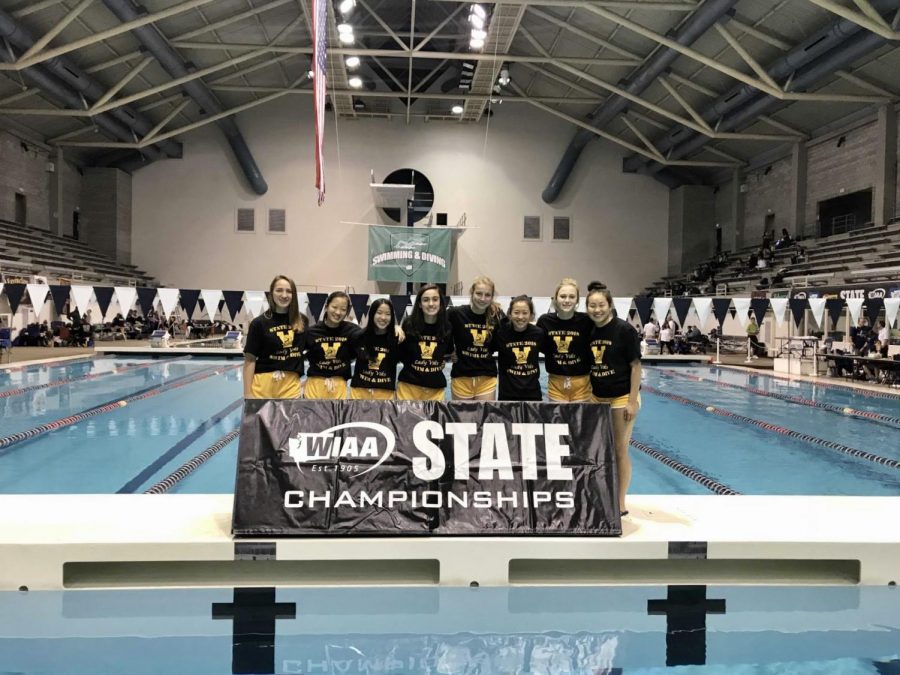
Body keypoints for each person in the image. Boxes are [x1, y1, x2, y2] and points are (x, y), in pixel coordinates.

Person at [585, 282, 641, 516]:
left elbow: (636, 366)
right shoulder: (590, 331)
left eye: (601, 305)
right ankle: (602, 495)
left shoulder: (624, 330)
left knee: (619, 450)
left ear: (610, 306)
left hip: (620, 398)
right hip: (598, 398)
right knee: (600, 451)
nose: (596, 310)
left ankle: (620, 503)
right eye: (592, 306)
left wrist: (631, 400)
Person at [243, 275, 307, 399]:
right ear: (271, 293)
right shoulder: (259, 323)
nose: (284, 295)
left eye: (289, 291)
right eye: (279, 290)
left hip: (290, 388)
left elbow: (316, 350)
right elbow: (250, 359)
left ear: (293, 295)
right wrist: (247, 393)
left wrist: (311, 380)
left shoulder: (302, 321)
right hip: (262, 388)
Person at [537, 278, 593, 402]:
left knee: (580, 421)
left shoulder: (587, 321)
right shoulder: (545, 321)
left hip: (582, 384)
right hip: (556, 383)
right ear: (556, 298)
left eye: (571, 297)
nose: (567, 300)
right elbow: (539, 346)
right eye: (563, 296)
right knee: (559, 421)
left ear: (577, 300)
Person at [448, 276, 503, 401]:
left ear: (492, 297)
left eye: (487, 295)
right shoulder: (456, 314)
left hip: (486, 377)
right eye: (479, 293)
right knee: (462, 420)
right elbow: (436, 328)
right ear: (472, 293)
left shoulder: (497, 316)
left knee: (484, 419)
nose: (482, 299)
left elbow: (515, 332)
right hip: (461, 376)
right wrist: (449, 350)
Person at [397, 285, 453, 401]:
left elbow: (448, 352)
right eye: (426, 300)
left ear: (441, 303)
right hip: (409, 387)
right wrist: (395, 327)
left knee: (433, 420)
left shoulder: (446, 327)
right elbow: (400, 353)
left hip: (435, 390)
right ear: (419, 304)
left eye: (435, 299)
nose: (431, 304)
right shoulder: (409, 324)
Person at [304, 291, 363, 400]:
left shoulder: (352, 331)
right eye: (334, 307)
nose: (338, 312)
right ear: (326, 307)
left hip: (339, 387)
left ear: (347, 312)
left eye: (343, 309)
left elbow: (373, 335)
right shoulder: (311, 332)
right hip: (314, 387)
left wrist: (394, 328)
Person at [494, 295, 544, 401]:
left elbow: (551, 351)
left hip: (533, 393)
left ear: (531, 315)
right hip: (507, 394)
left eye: (525, 313)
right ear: (510, 314)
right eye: (516, 312)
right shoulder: (501, 333)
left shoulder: (538, 333)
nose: (520, 317)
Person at [350, 299, 400, 400]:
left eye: (387, 314)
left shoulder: (397, 339)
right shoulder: (359, 337)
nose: (383, 317)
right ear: (372, 314)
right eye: (379, 313)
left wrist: (398, 327)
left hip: (386, 394)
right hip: (359, 393)